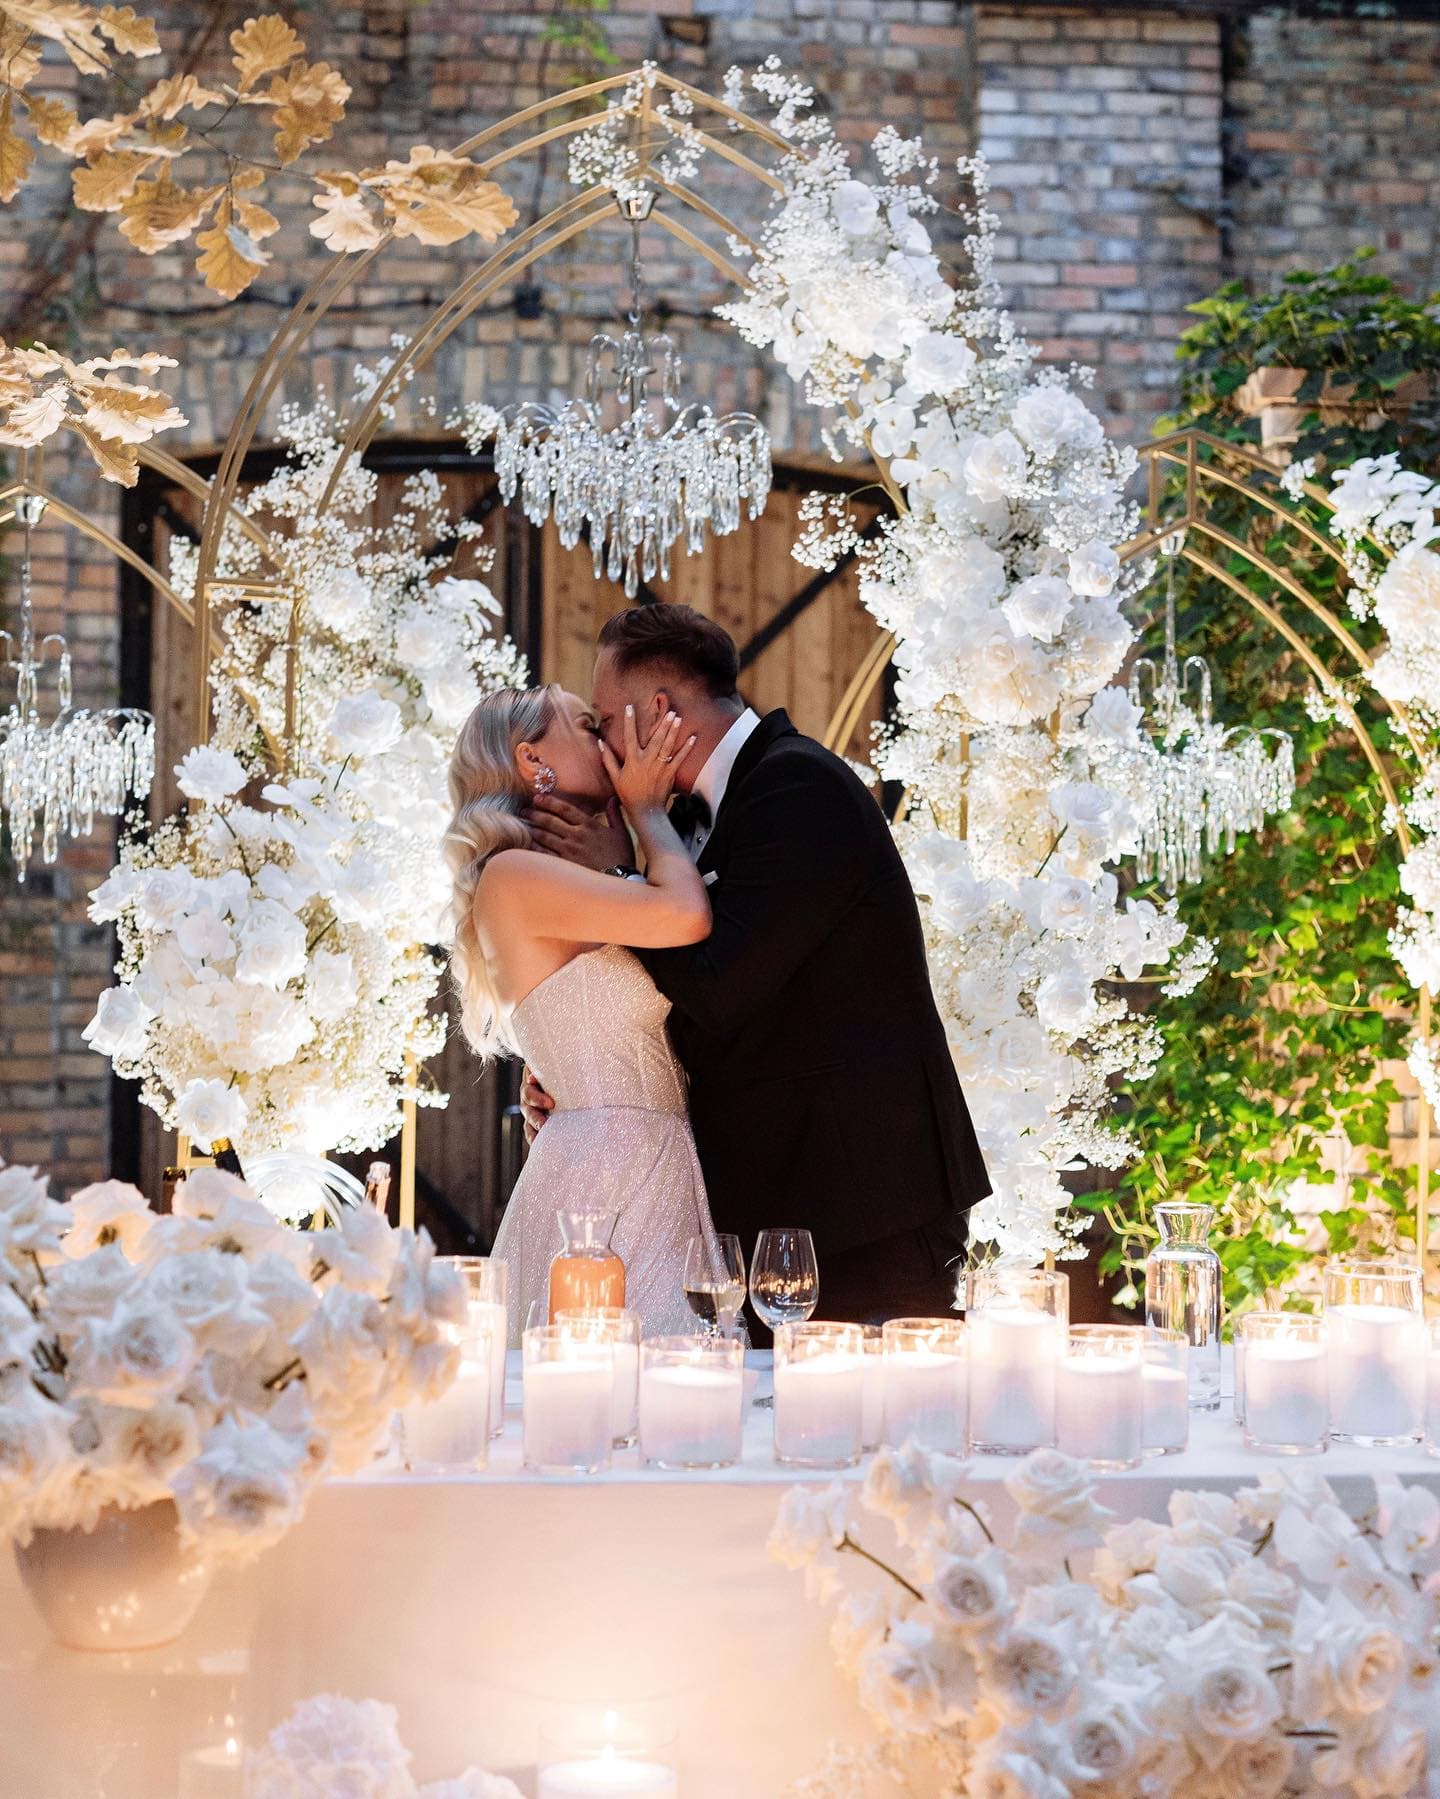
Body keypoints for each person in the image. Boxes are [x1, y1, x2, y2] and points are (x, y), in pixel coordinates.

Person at [522, 604, 991, 1325]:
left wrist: (621, 875)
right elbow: (674, 998)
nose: (605, 745)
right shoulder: (680, 829)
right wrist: (586, 1075)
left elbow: (720, 984)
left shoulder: (800, 787)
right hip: (772, 1208)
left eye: (606, 723)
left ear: (658, 713)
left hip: (867, 1208)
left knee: (885, 1431)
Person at [444, 682, 718, 1345]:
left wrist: (625, 846)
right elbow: (685, 915)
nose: (607, 737)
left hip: (655, 1158)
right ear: (533, 759)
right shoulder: (511, 874)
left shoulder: (575, 873)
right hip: (609, 1174)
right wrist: (647, 811)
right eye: (587, 725)